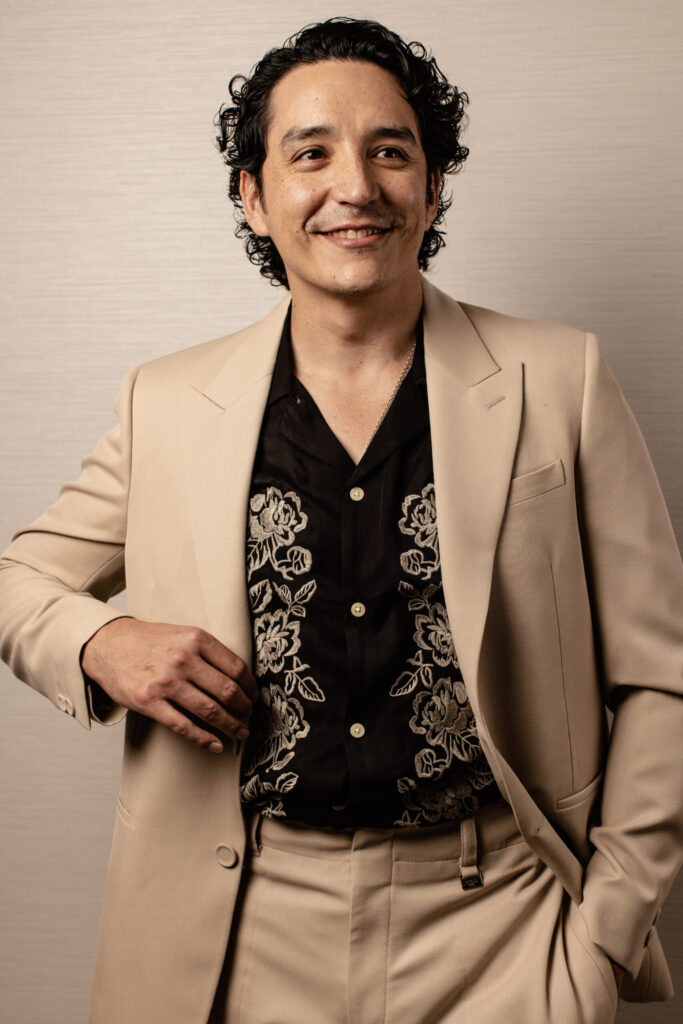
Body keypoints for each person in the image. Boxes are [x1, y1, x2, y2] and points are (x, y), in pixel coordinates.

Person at [0, 16, 681, 1024]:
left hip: (504, 927)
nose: (354, 186)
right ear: (253, 194)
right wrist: (101, 640)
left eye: (389, 152)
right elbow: (18, 581)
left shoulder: (558, 378)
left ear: (432, 187)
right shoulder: (167, 402)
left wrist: (602, 932)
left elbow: (660, 674)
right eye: (310, 153)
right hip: (240, 926)